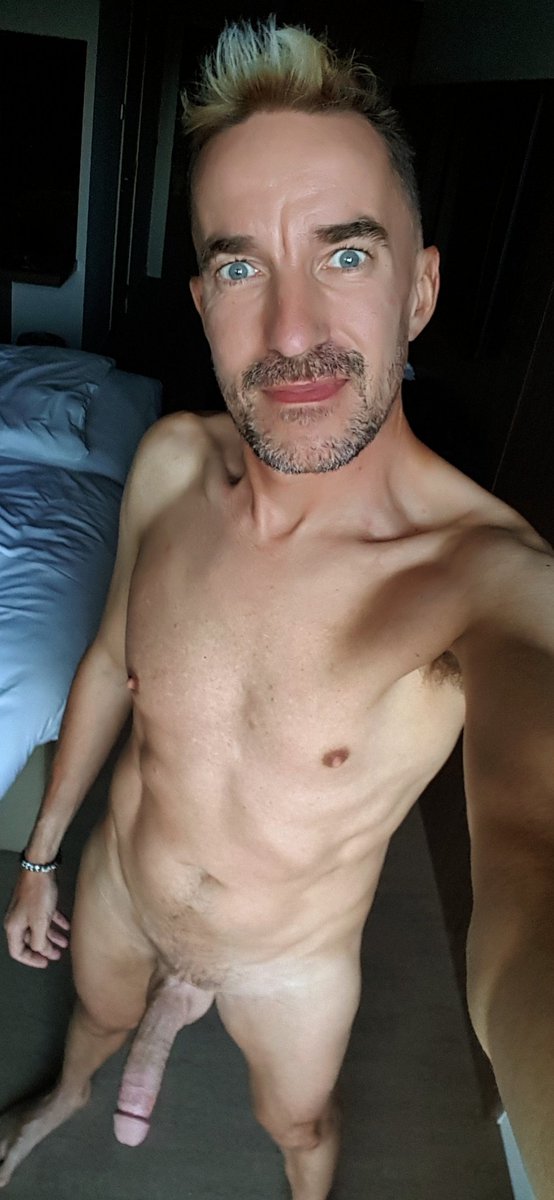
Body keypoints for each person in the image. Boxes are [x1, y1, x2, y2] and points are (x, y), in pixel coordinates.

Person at [2, 18, 553, 1200]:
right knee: (92, 1028)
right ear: (202, 300)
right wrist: (42, 856)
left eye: (345, 255)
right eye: (242, 267)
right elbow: (105, 664)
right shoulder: (168, 466)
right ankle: (67, 1097)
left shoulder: (487, 582)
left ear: (419, 288)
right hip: (123, 885)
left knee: (296, 1129)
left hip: (286, 959)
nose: (291, 331)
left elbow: (533, 870)